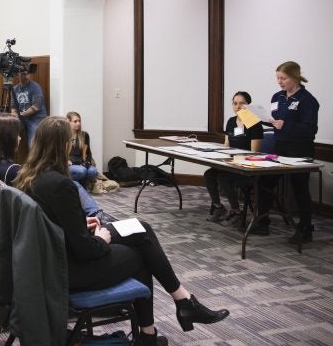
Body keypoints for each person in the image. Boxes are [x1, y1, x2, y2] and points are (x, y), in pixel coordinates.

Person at [14, 116, 229, 346]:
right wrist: (102, 239)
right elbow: (85, 250)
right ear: (63, 145)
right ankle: (163, 322)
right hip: (70, 269)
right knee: (141, 256)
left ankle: (179, 305)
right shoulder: (60, 184)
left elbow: (52, 223)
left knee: (140, 227)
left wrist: (80, 225)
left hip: (50, 260)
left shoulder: (29, 178)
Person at [255, 61, 319, 243]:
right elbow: (275, 120)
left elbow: (310, 129)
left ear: (295, 77)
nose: (280, 82)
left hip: (300, 149)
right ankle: (262, 222)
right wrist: (263, 119)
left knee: (300, 188)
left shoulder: (307, 100)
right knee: (266, 181)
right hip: (280, 146)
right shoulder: (278, 97)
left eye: (283, 78)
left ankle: (306, 228)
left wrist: (287, 125)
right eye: (278, 78)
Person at [203, 91, 263, 225]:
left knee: (223, 177)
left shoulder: (254, 123)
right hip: (231, 163)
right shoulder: (231, 121)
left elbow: (254, 153)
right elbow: (226, 146)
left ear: (249, 105)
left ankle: (236, 211)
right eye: (235, 103)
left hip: (246, 167)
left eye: (242, 103)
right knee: (209, 174)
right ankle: (219, 207)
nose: (238, 106)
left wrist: (236, 159)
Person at [11, 70, 47, 147]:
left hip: (36, 118)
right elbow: (13, 106)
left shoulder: (35, 86)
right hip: (22, 118)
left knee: (33, 145)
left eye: (28, 74)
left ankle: (34, 157)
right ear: (18, 75)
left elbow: (36, 107)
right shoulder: (14, 89)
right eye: (24, 74)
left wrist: (20, 114)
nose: (26, 76)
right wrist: (14, 114)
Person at [67, 111, 99, 185]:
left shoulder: (84, 135)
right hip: (70, 165)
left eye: (79, 121)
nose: (78, 123)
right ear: (68, 122)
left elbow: (88, 153)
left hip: (82, 163)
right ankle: (74, 185)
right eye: (75, 121)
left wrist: (86, 162)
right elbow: (60, 154)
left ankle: (78, 185)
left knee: (93, 171)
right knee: (82, 171)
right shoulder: (63, 136)